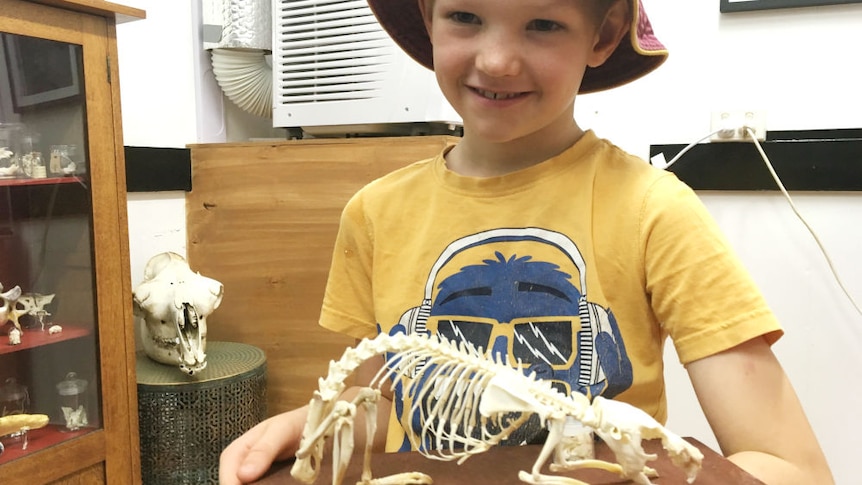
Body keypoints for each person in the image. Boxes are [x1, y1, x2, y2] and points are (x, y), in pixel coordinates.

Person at [220, 0, 834, 483]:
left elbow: (792, 467)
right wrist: (305, 424)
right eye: (466, 16)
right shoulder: (374, 214)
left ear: (604, 32)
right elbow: (382, 398)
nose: (497, 61)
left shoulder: (655, 210)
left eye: (542, 24)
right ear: (429, 14)